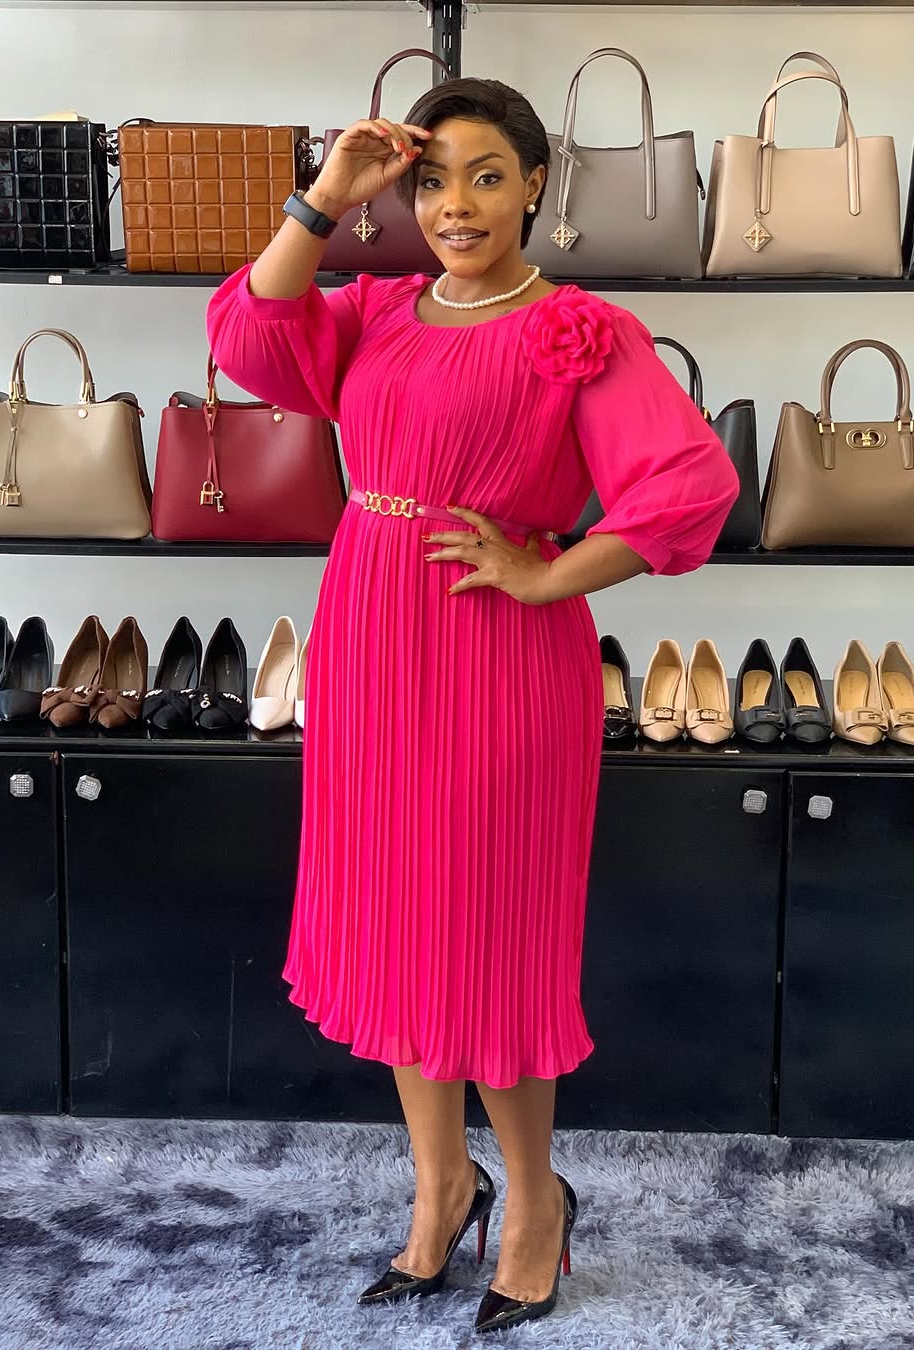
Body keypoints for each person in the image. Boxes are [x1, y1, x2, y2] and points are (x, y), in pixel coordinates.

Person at [206, 76, 739, 1335]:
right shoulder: (377, 309)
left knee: (489, 938)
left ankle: (536, 1201)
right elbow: (249, 335)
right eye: (432, 180)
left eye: (486, 176)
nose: (454, 206)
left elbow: (690, 485)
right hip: (372, 642)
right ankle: (443, 1188)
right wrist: (327, 196)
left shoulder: (581, 331)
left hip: (500, 658)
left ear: (536, 185)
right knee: (399, 925)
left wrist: (549, 573)